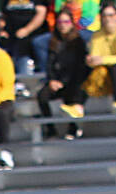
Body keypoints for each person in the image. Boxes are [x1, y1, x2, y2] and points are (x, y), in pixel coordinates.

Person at [37, 9, 88, 139]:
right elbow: (50, 64)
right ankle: (50, 129)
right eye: (60, 22)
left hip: (73, 81)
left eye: (66, 22)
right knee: (42, 96)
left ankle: (73, 129)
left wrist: (63, 82)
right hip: (57, 81)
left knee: (71, 94)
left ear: (71, 23)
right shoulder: (54, 42)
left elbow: (78, 67)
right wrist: (51, 80)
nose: (62, 25)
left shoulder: (78, 42)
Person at [32, 0, 98, 74]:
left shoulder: (89, 2)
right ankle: (46, 73)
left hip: (84, 30)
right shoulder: (59, 2)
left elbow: (89, 18)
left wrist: (73, 26)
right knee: (39, 42)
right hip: (60, 30)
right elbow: (55, 15)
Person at [0, 0, 48, 75]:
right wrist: (2, 30)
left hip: (32, 35)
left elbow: (41, 14)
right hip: (10, 36)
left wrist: (27, 30)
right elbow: (3, 16)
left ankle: (25, 76)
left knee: (22, 49)